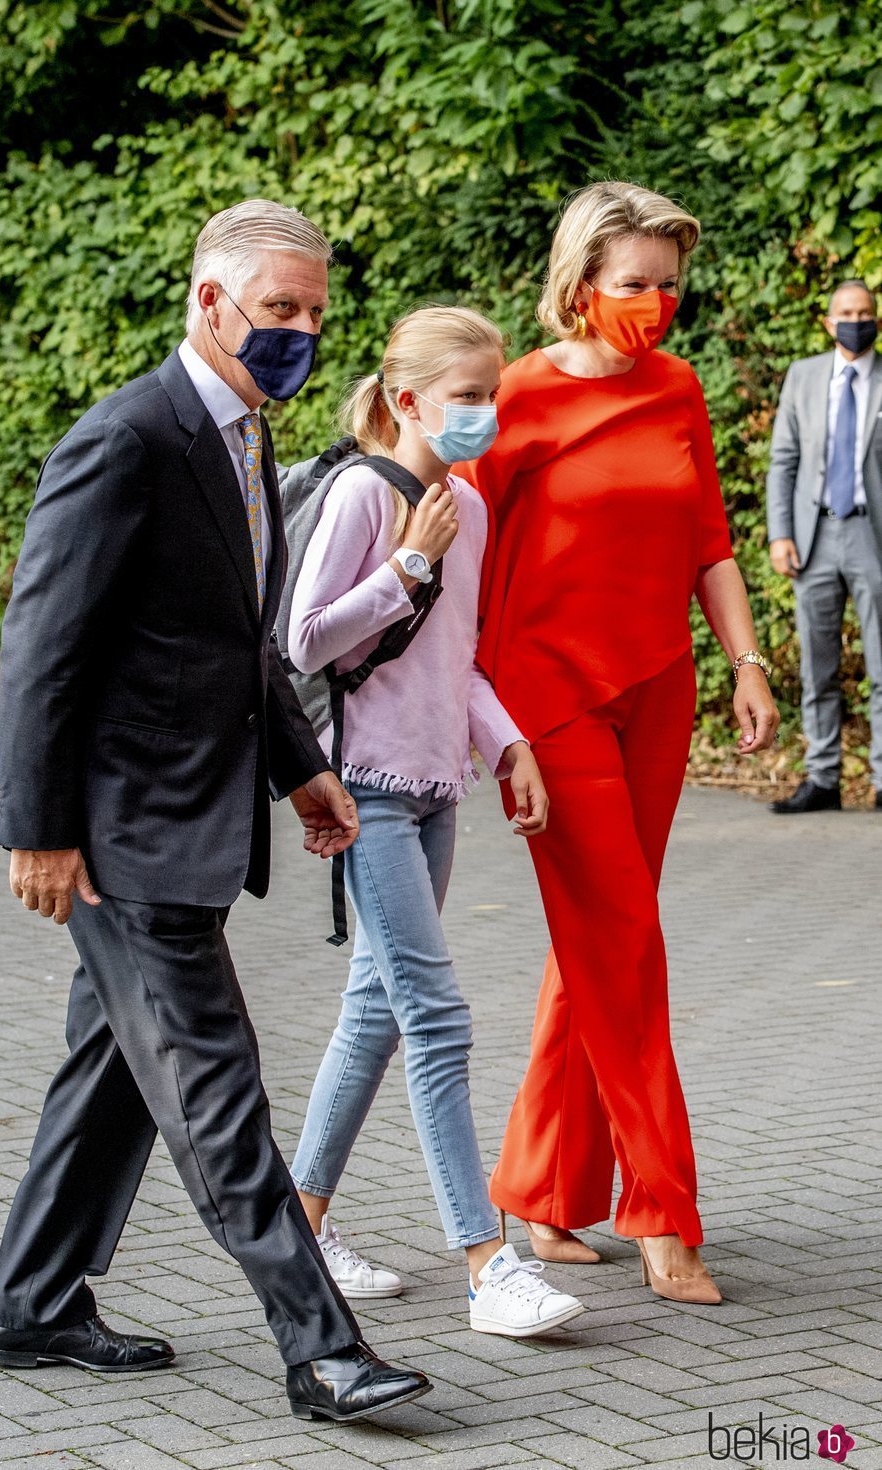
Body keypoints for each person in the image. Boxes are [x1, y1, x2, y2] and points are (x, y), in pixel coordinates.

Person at [0, 199, 431, 1423]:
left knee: (114, 1074)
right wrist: (37, 825)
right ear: (209, 301)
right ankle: (321, 1350)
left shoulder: (242, 442)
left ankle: (32, 1305)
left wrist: (299, 766)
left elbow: (232, 646)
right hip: (122, 827)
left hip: (188, 811)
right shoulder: (129, 437)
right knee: (214, 1086)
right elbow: (44, 644)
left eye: (314, 312)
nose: (298, 330)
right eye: (277, 308)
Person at [464, 181, 780, 1305]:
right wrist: (475, 723)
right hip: (547, 702)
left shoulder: (677, 387)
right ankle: (660, 1210)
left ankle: (542, 1194)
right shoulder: (513, 397)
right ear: (580, 286)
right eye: (632, 283)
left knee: (596, 946)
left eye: (668, 285)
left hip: (656, 694)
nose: (653, 303)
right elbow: (449, 542)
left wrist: (743, 662)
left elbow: (707, 536)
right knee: (625, 945)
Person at [287, 306, 585, 1338]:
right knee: (434, 1014)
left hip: (434, 788)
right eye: (465, 398)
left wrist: (507, 746)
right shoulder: (362, 495)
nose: (482, 415)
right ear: (404, 399)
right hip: (362, 786)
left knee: (374, 1012)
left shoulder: (471, 505)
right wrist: (403, 567)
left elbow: (454, 663)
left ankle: (298, 1230)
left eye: (489, 396)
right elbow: (305, 640)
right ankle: (484, 1265)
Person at [766, 279, 882, 813]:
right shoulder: (804, 377)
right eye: (846, 312)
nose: (856, 320)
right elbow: (783, 461)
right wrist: (780, 533)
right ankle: (823, 777)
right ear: (829, 322)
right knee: (818, 666)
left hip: (871, 535)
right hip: (813, 538)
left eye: (866, 312)